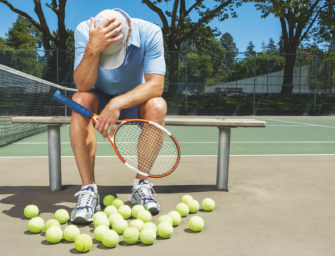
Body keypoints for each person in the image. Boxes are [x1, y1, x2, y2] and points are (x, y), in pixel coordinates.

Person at [70, 8, 166, 224]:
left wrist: (117, 103)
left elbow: (156, 85)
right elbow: (83, 85)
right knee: (79, 100)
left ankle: (141, 184)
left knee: (158, 105)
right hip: (98, 97)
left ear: (129, 32)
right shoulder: (84, 30)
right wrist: (93, 49)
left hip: (134, 98)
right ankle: (89, 189)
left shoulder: (151, 32)